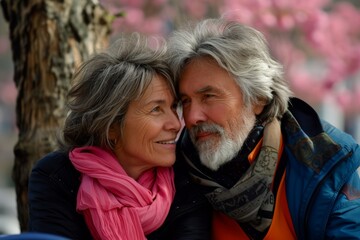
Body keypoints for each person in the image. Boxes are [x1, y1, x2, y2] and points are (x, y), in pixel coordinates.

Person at [167, 18, 360, 240]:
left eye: (208, 96)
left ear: (258, 98)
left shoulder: (325, 161)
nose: (192, 117)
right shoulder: (173, 175)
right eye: (186, 101)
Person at [28, 34, 211, 240]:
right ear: (111, 125)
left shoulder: (186, 179)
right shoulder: (58, 176)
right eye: (156, 110)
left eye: (173, 107)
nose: (176, 124)